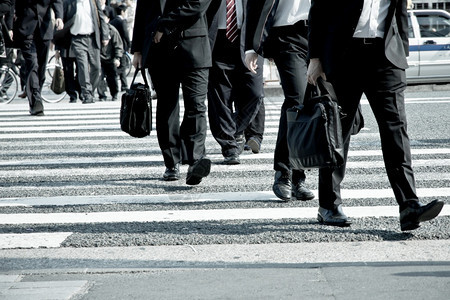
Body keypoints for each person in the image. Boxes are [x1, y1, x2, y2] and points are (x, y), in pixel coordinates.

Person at [306, 0, 444, 230]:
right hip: (343, 55)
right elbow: (319, 9)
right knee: (338, 131)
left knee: (396, 129)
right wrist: (315, 58)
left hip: (386, 56)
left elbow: (398, 11)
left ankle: (409, 205)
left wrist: (401, 52)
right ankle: (328, 204)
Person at [131, 0, 215, 185]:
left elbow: (198, 4)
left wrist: (164, 23)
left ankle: (195, 160)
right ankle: (172, 162)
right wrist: (137, 49)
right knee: (167, 105)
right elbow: (143, 8)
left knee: (196, 105)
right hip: (158, 48)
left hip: (194, 44)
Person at [244, 0, 314, 201]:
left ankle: (299, 175)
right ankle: (284, 173)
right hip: (287, 34)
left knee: (313, 104)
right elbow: (255, 4)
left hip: (321, 32)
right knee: (296, 101)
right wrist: (252, 46)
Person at [207, 0, 264, 165]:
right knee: (220, 99)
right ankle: (229, 147)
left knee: (255, 92)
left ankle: (236, 129)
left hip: (248, 40)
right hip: (216, 40)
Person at [13, 0, 64, 116]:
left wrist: (59, 17)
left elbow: (57, 1)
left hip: (44, 29)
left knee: (41, 68)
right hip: (26, 28)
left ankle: (35, 96)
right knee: (33, 64)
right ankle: (36, 100)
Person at [66, 0, 110, 104]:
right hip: (77, 39)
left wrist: (105, 35)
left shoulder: (93, 1)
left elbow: (101, 17)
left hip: (92, 38)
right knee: (83, 66)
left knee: (96, 67)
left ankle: (90, 91)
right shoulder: (70, 3)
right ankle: (86, 94)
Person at [98, 19, 122, 101]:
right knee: (99, 77)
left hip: (111, 58)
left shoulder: (112, 30)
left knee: (112, 78)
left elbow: (118, 45)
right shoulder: (96, 30)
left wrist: (117, 58)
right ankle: (102, 95)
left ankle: (114, 94)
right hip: (99, 58)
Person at [109, 4, 130, 91]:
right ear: (122, 12)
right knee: (123, 67)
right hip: (122, 47)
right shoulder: (122, 21)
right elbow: (126, 35)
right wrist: (129, 45)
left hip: (113, 47)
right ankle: (124, 85)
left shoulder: (112, 21)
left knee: (119, 66)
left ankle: (123, 84)